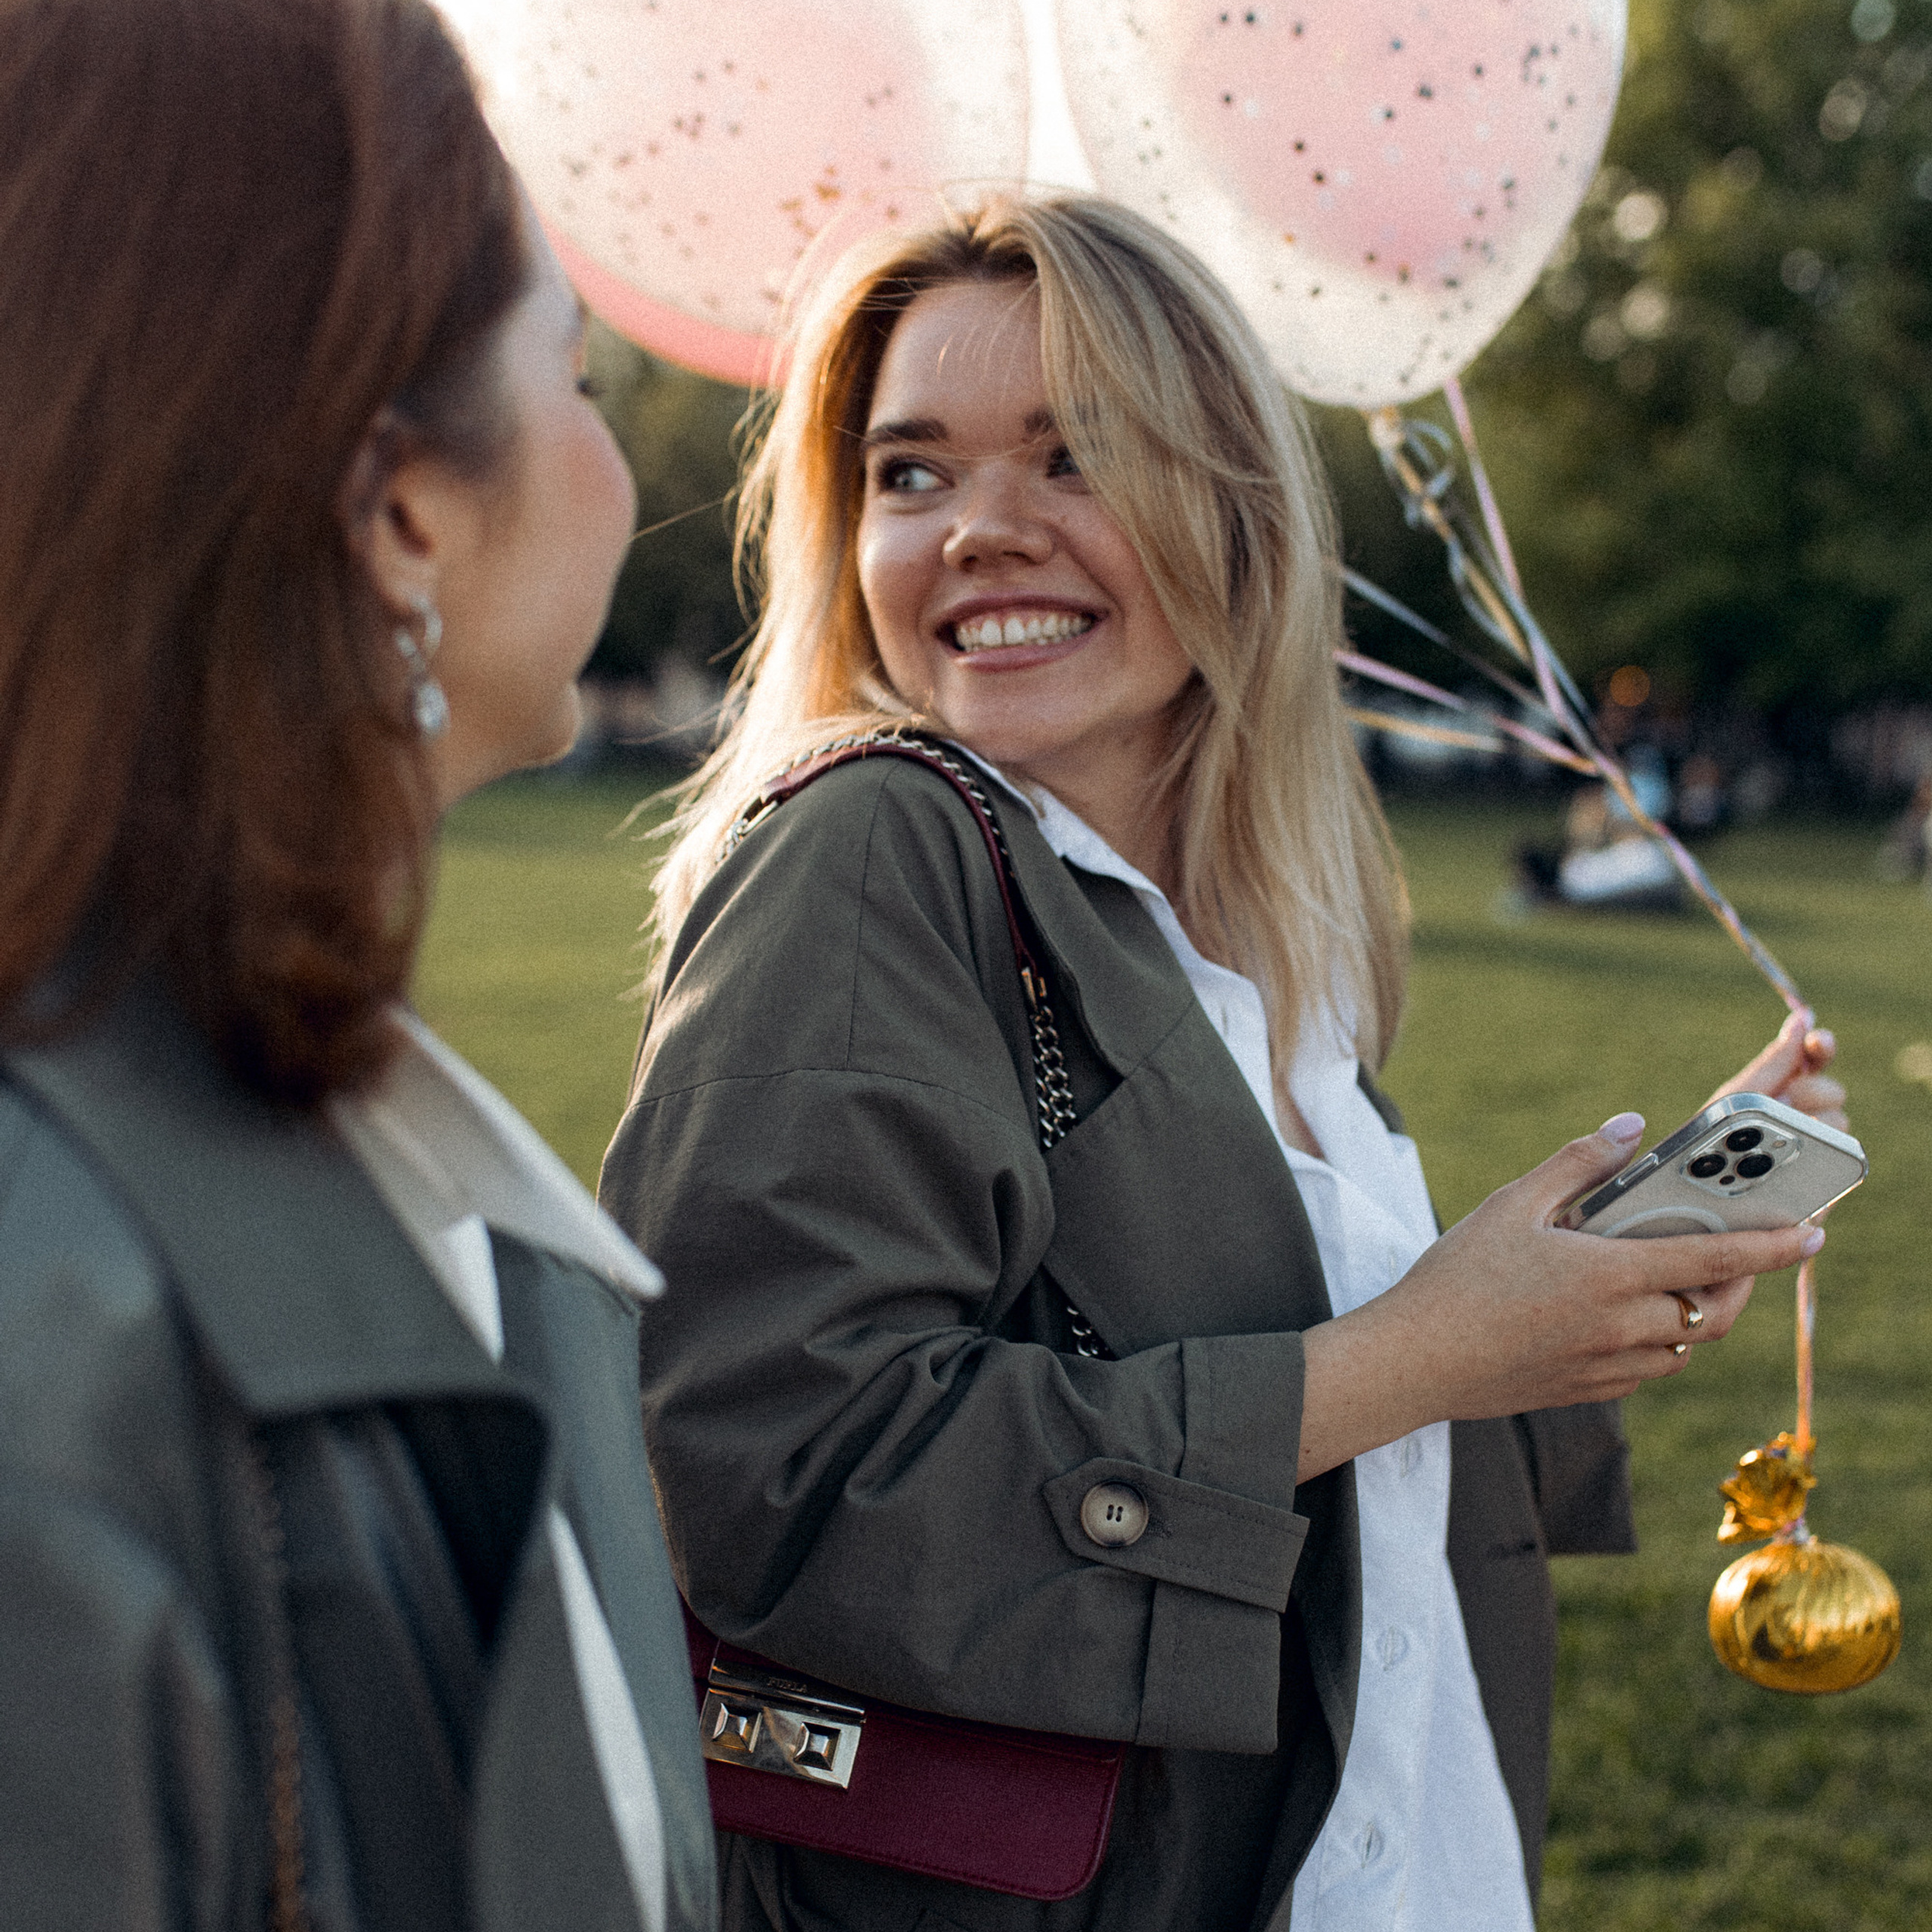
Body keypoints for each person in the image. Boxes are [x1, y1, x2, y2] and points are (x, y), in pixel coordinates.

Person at [599, 198, 1846, 1931]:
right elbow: (773, 1467)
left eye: (1075, 455)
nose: (979, 528)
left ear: (1236, 504)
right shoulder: (866, 849)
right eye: (910, 472)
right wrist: (1414, 1350)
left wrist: (1569, 1299)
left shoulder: (1259, 940)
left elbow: (1322, 1398)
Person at [0, 2, 715, 1927]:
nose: (615, 459)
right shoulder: (54, 1334)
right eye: (577, 375)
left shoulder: (405, 1181)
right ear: (402, 510)